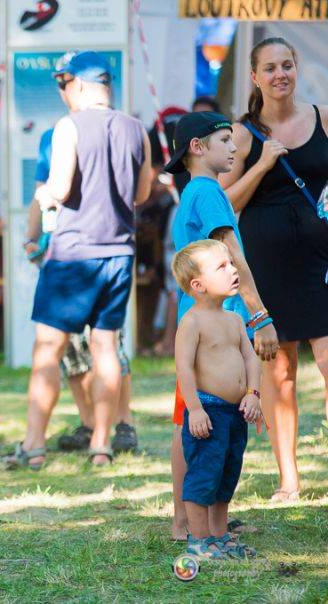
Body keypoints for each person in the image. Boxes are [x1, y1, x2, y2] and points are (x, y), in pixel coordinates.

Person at [4, 51, 152, 468]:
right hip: (119, 253)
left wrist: (44, 196)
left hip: (73, 254)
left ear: (81, 84)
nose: (62, 92)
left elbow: (60, 187)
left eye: (64, 84)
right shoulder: (136, 129)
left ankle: (34, 445)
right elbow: (142, 194)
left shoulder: (68, 126)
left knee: (48, 349)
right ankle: (101, 445)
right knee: (106, 347)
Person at [219, 37, 328, 503]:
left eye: (287, 65)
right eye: (270, 68)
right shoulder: (242, 134)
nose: (280, 74)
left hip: (321, 260)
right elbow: (225, 203)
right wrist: (262, 165)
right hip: (269, 265)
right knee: (280, 372)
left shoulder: (322, 117)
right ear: (255, 77)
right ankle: (289, 479)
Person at [164, 110, 278, 540]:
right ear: (198, 147)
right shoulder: (208, 193)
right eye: (225, 140)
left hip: (214, 323)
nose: (234, 148)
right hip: (207, 328)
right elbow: (233, 253)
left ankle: (207, 521)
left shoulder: (200, 191)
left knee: (209, 426)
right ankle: (185, 524)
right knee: (191, 424)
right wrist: (259, 315)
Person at [24, 97, 138, 457]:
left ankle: (121, 425)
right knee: (81, 348)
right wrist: (31, 238)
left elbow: (49, 191)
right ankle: (94, 431)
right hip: (97, 251)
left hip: (76, 254)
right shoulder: (58, 135)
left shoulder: (75, 130)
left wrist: (37, 225)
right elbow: (41, 193)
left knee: (96, 346)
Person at [171, 239, 261, 559]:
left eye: (232, 264)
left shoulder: (235, 320)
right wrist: (194, 409)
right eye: (222, 267)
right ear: (198, 285)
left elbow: (250, 359)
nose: (233, 270)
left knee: (227, 474)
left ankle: (220, 536)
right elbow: (183, 368)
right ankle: (199, 539)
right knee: (204, 475)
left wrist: (253, 394)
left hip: (235, 413)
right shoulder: (192, 322)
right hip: (208, 411)